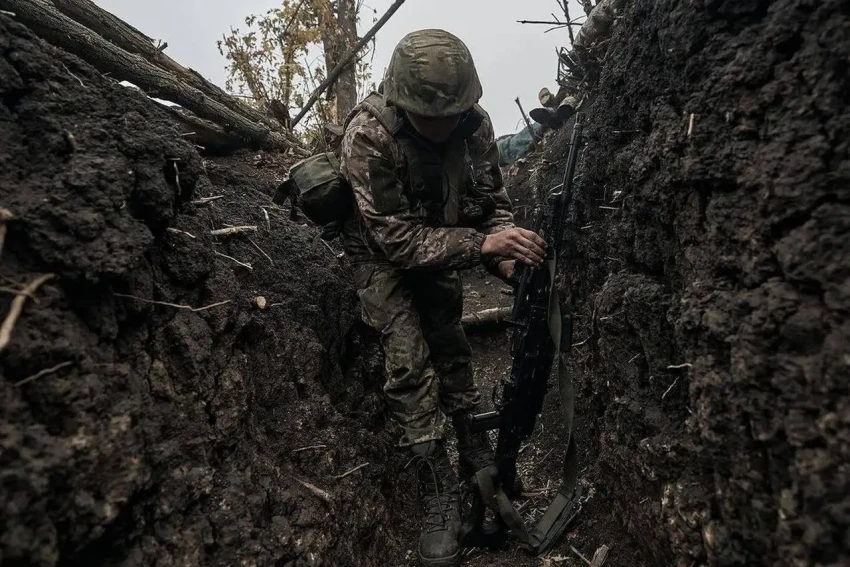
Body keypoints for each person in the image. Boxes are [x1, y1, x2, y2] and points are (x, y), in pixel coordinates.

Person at [339, 29, 546, 566]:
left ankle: (476, 456)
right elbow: (397, 241)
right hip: (382, 256)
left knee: (452, 347)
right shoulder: (368, 134)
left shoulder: (474, 125)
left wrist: (503, 256)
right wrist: (481, 245)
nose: (446, 125)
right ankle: (435, 487)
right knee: (408, 363)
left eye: (454, 113)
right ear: (402, 104)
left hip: (443, 243)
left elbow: (492, 204)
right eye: (432, 117)